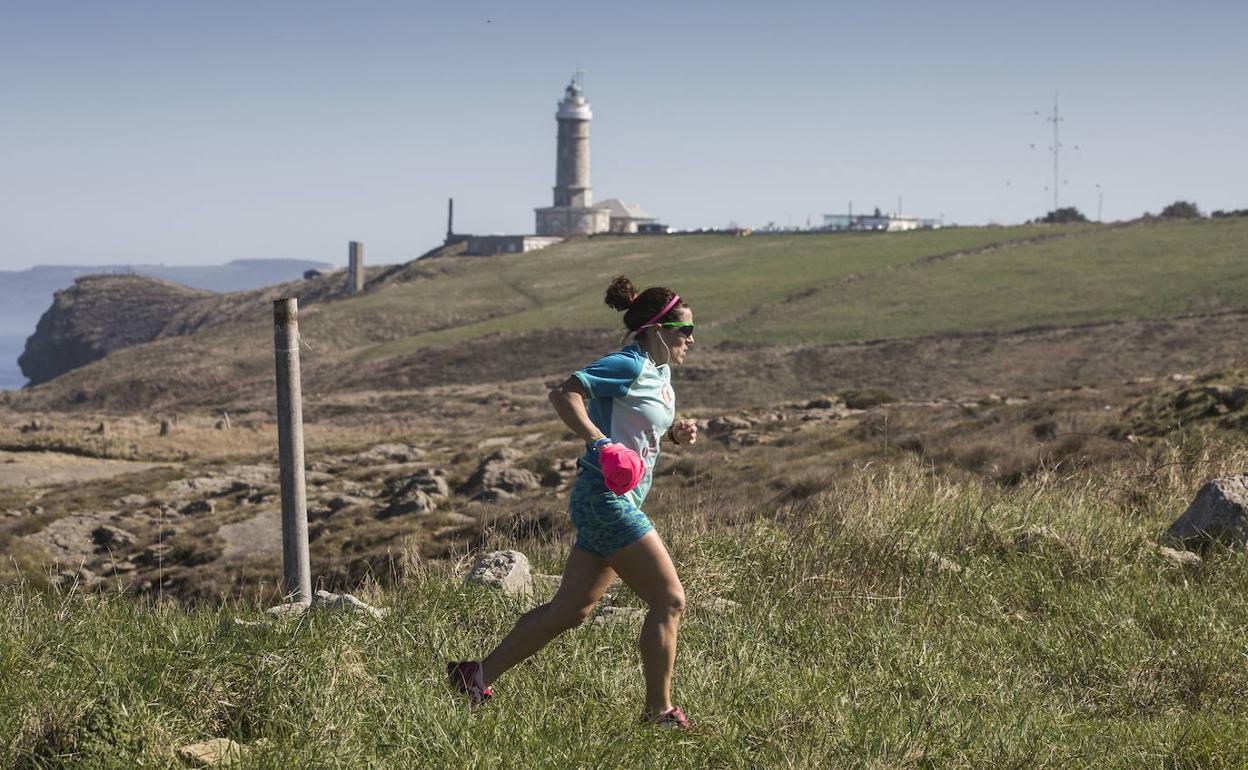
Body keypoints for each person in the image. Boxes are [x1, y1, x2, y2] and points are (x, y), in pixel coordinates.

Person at [448, 275, 699, 729]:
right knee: (669, 599)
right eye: (684, 330)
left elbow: (638, 425)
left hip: (614, 498)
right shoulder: (628, 363)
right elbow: (565, 392)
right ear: (657, 329)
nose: (691, 339)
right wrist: (600, 443)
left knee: (570, 611)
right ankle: (658, 712)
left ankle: (475, 674)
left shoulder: (660, 373)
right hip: (604, 498)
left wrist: (674, 434)